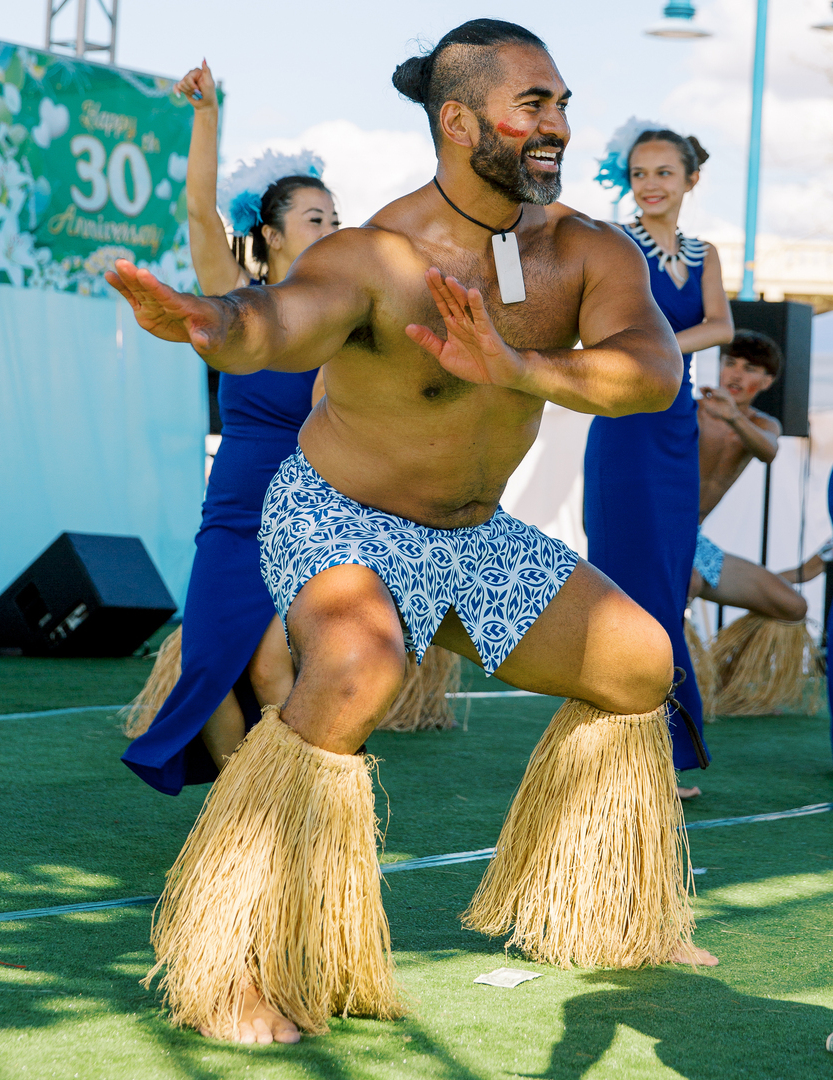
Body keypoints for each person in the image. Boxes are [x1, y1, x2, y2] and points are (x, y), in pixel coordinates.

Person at [108, 20, 717, 1046]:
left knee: (636, 664)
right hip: (337, 516)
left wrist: (519, 367)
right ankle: (234, 963)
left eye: (562, 104)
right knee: (358, 670)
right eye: (533, 105)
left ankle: (607, 910)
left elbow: (652, 372)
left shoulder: (585, 250)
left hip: (476, 538)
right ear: (459, 121)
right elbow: (277, 321)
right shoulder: (376, 254)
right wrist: (209, 322)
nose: (558, 126)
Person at [120, 61, 338, 793]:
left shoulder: (346, 320)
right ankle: (245, 806)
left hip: (305, 514)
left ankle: (298, 803)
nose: (332, 231)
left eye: (336, 221)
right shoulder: (238, 302)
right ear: (270, 234)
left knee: (273, 665)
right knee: (208, 666)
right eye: (316, 219)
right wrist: (207, 115)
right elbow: (197, 213)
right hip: (235, 509)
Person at [585, 122, 734, 799]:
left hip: (677, 431)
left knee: (669, 588)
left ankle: (662, 755)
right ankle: (626, 756)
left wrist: (657, 344)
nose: (650, 185)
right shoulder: (616, 245)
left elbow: (724, 326)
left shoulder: (706, 254)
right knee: (629, 589)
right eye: (639, 173)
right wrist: (663, 345)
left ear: (690, 180)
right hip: (625, 426)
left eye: (664, 172)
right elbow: (604, 333)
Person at [689, 330, 823, 715]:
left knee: (791, 605)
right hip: (660, 533)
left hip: (695, 542)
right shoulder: (690, 409)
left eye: (749, 369)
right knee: (687, 582)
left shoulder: (764, 424)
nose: (735, 373)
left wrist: (733, 415)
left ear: (766, 382)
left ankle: (727, 681)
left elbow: (768, 451)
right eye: (730, 362)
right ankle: (671, 690)